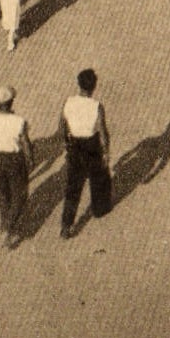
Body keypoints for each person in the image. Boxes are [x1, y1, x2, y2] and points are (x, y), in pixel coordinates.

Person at [60, 69, 112, 238]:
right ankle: (99, 209)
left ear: (79, 84)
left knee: (73, 186)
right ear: (94, 86)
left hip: (75, 145)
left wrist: (66, 143)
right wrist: (106, 152)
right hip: (91, 146)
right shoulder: (96, 106)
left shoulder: (68, 102)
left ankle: (66, 225)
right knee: (99, 177)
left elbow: (62, 125)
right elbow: (103, 132)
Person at [0, 85, 33, 250]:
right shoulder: (19, 121)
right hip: (14, 159)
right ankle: (8, 228)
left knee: (3, 195)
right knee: (20, 195)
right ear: (12, 102)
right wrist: (30, 161)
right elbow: (26, 144)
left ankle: (3, 222)